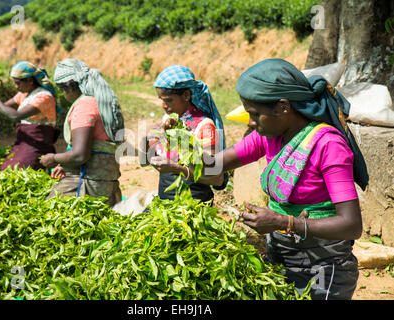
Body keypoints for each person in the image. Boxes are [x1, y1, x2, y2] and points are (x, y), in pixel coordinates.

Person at [151, 59, 369, 300]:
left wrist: (284, 222)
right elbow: (214, 167)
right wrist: (177, 166)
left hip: (323, 268)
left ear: (283, 108)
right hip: (281, 258)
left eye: (255, 114)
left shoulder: (328, 146)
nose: (251, 123)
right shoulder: (267, 136)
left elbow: (351, 225)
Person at [39, 58, 124, 206]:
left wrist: (53, 158)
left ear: (70, 88)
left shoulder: (85, 106)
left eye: (62, 90)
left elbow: (80, 155)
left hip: (88, 181)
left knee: (51, 209)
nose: (64, 95)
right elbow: (94, 145)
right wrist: (65, 165)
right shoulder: (99, 102)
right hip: (104, 179)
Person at [143, 64, 228, 203]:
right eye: (161, 100)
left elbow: (216, 179)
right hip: (166, 200)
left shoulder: (204, 127)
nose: (163, 105)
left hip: (193, 204)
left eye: (168, 100)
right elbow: (148, 161)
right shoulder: (168, 121)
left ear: (186, 95)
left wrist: (176, 168)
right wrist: (148, 143)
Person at [0, 61, 59, 171]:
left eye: (18, 83)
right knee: (6, 169)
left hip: (37, 144)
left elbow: (15, 115)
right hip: (24, 142)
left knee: (18, 170)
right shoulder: (24, 94)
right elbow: (4, 107)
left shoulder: (44, 97)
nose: (16, 86)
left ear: (29, 81)